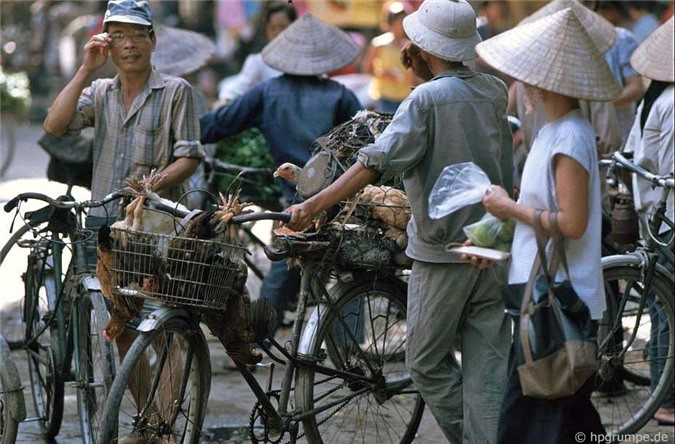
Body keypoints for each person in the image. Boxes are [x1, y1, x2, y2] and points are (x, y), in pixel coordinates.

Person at [284, 1, 513, 442]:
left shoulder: (425, 99)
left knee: (425, 362)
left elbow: (375, 163)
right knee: (486, 365)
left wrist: (312, 207)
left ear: (424, 47)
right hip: (492, 241)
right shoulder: (492, 90)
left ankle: (468, 436)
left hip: (443, 252)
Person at [42, 0, 205, 436]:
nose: (127, 45)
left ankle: (162, 422)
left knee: (167, 327)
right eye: (117, 36)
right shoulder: (102, 93)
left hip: (157, 225)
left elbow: (189, 156)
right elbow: (55, 125)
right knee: (121, 329)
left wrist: (149, 186)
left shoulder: (176, 91)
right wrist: (84, 71)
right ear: (107, 43)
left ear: (152, 41)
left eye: (136, 35)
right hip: (106, 227)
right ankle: (152, 417)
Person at [473, 7, 622, 443]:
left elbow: (572, 223)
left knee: (530, 423)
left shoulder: (570, 135)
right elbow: (540, 209)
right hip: (541, 296)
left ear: (543, 82)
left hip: (558, 303)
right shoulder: (554, 132)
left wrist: (507, 208)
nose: (519, 87)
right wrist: (495, 236)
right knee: (563, 422)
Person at [200, 14, 362, 337]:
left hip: (297, 196)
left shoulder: (267, 92)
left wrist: (181, 131)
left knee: (284, 264)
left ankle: (256, 339)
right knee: (347, 266)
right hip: (343, 194)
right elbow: (362, 141)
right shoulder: (339, 95)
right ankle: (348, 350)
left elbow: (218, 125)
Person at [623, 16, 674, 427]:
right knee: (665, 308)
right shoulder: (671, 102)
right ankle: (668, 400)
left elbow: (637, 157)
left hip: (653, 213)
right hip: (668, 218)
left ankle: (662, 394)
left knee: (661, 306)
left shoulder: (654, 98)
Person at [585, 0, 644, 144]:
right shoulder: (570, 43)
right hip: (587, 134)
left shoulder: (621, 38)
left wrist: (599, 106)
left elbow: (636, 88)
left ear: (591, 4)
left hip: (620, 131)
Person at [217, 2, 297, 103]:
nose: (277, 33)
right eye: (273, 28)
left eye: (283, 27)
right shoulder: (258, 62)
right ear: (266, 30)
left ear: (295, 28)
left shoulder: (306, 61)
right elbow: (234, 92)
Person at [361, 1, 416, 113]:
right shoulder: (379, 44)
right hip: (385, 96)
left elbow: (416, 73)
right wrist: (384, 75)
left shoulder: (410, 46)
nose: (400, 24)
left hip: (405, 96)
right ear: (390, 22)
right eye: (397, 20)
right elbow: (366, 70)